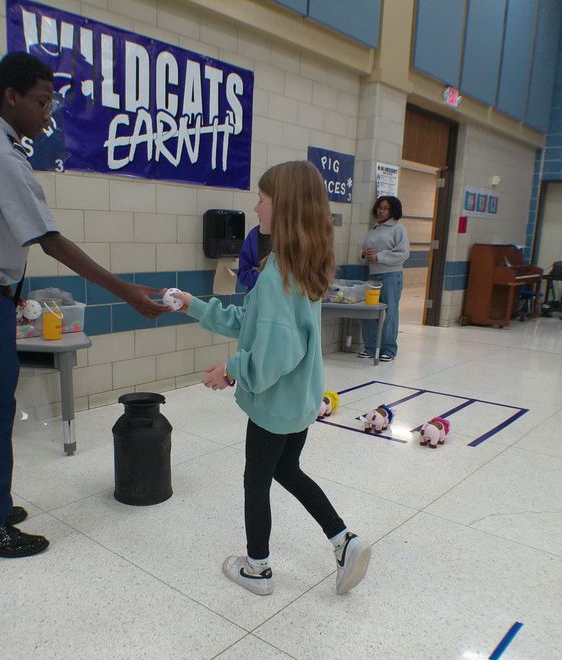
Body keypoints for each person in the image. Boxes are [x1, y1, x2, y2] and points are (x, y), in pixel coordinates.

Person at [0, 52, 167, 559]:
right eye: (41, 102)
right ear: (11, 97)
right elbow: (50, 241)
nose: (47, 113)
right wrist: (124, 290)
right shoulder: (2, 158)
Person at [169, 161, 372, 596]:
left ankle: (257, 569)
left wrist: (231, 370)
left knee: (256, 480)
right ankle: (343, 540)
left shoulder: (280, 275)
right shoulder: (297, 266)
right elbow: (252, 324)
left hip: (275, 404)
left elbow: (274, 355)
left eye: (262, 199)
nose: (256, 206)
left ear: (285, 207)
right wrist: (194, 305)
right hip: (297, 402)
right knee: (287, 469)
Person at [359, 195, 409, 361]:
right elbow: (363, 253)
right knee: (370, 311)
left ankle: (388, 349)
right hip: (373, 275)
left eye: (386, 208)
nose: (381, 211)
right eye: (380, 208)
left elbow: (403, 253)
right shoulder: (373, 229)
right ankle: (370, 347)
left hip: (390, 275)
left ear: (393, 211)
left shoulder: (398, 229)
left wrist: (379, 257)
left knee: (389, 313)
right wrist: (363, 254)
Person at [236, 225, 271, 293]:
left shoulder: (290, 234)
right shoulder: (254, 235)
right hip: (258, 295)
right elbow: (243, 274)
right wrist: (261, 276)